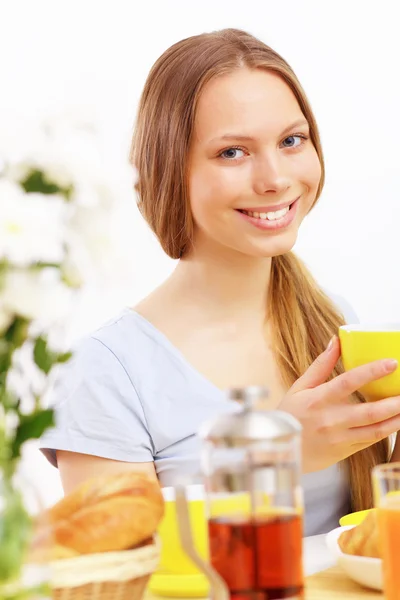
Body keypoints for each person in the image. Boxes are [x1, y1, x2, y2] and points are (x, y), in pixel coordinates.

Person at [40, 28, 400, 536]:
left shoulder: (335, 323)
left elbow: (371, 532)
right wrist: (274, 461)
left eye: (291, 141)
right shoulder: (104, 373)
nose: (274, 177)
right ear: (169, 168)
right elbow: (116, 565)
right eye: (233, 152)